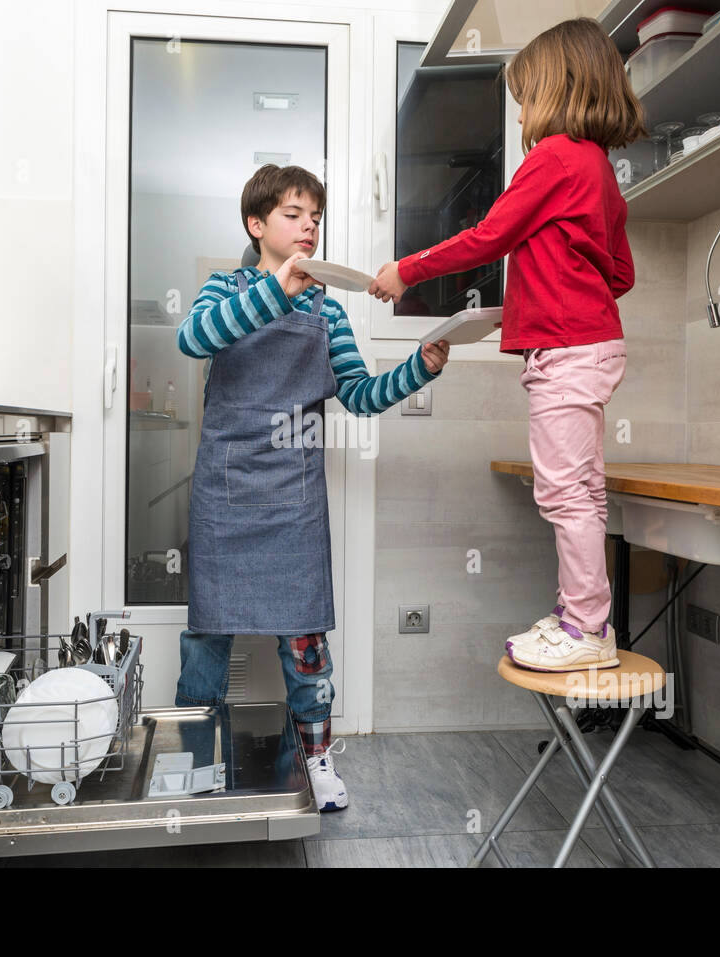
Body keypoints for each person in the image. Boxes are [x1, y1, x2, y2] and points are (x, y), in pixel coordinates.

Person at [370, 17, 646, 673]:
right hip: (590, 345)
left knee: (563, 494)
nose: (520, 109)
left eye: (525, 95)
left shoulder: (553, 156)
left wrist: (406, 269)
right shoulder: (598, 167)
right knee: (584, 491)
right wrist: (549, 284)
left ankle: (585, 629)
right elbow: (621, 274)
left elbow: (488, 236)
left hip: (568, 349)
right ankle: (583, 617)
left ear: (555, 88)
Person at [176, 163, 451, 809]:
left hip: (293, 500)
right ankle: (191, 754)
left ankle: (318, 758)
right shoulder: (225, 288)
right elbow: (195, 339)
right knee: (208, 636)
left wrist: (418, 367)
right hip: (226, 489)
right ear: (257, 224)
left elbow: (359, 395)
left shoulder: (327, 311)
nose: (308, 226)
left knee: (305, 644)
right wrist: (276, 289)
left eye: (315, 217)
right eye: (294, 214)